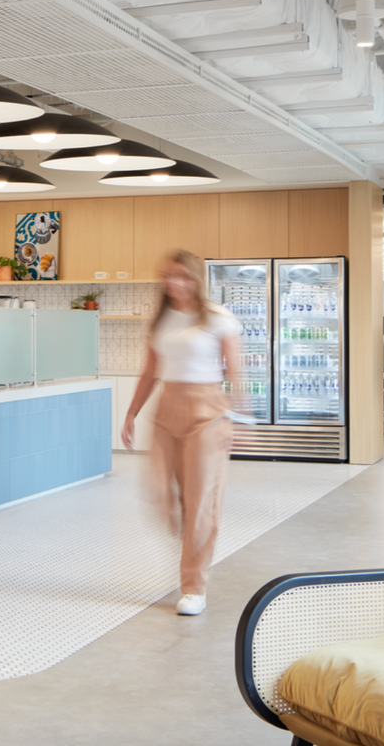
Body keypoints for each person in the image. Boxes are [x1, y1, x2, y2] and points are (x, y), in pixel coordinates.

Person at [121, 249, 243, 617]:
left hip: (207, 413)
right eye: (169, 276)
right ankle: (192, 534)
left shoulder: (220, 319)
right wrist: (131, 412)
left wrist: (239, 419)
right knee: (160, 494)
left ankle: (193, 586)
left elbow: (236, 373)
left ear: (196, 279)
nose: (175, 283)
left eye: (183, 276)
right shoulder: (161, 321)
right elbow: (150, 371)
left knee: (201, 500)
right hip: (167, 410)